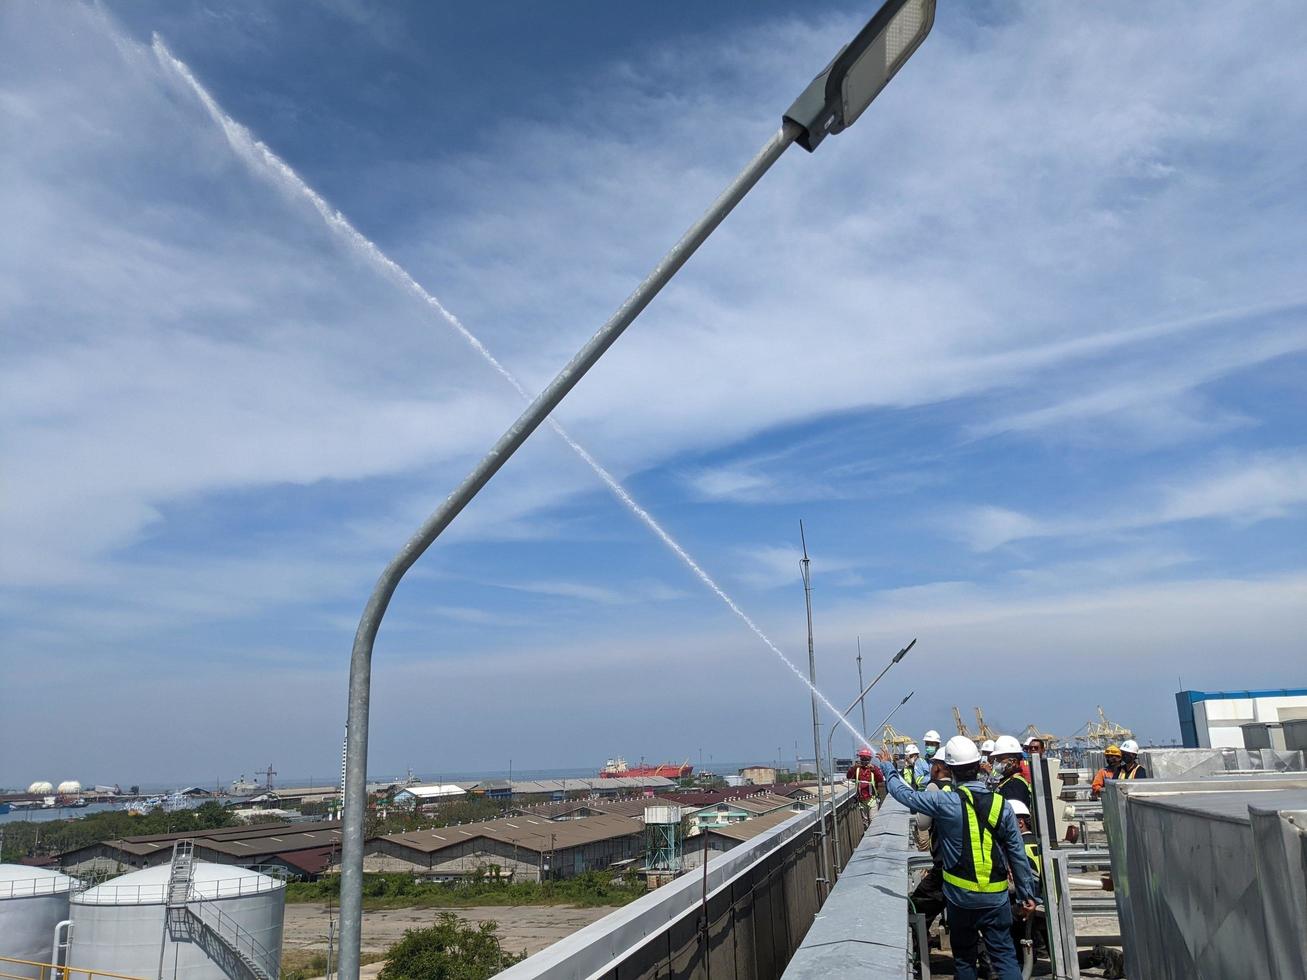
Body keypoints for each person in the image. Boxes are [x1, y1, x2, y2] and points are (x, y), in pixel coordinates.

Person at [878, 736, 1037, 980]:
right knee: (1005, 958)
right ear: (978, 765)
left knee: (964, 960)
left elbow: (904, 795)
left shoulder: (944, 801)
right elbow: (1016, 852)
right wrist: (1027, 895)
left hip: (960, 899)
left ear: (950, 770)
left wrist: (888, 768)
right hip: (996, 897)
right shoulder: (1001, 804)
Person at [991, 735, 1032, 811]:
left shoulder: (1014, 785)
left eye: (1000, 759)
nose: (996, 762)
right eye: (995, 759)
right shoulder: (1008, 781)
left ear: (1013, 762)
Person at [846, 746, 884, 820]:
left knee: (873, 820)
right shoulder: (857, 769)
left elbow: (880, 779)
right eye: (863, 759)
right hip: (861, 800)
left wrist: (874, 770)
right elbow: (848, 776)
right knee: (865, 822)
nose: (864, 761)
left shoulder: (874, 769)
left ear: (870, 759)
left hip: (872, 799)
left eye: (866, 759)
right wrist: (853, 768)